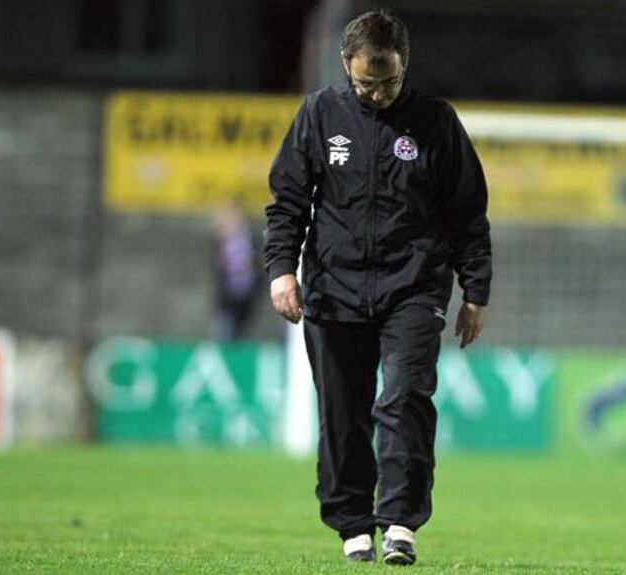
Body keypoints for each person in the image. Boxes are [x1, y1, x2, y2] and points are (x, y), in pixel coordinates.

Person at [263, 10, 492, 565]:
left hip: (413, 287)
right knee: (343, 413)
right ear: (347, 66)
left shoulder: (437, 122)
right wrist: (281, 269)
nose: (378, 94)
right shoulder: (319, 114)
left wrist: (476, 289)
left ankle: (400, 523)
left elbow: (468, 213)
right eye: (367, 83)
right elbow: (288, 199)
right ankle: (352, 526)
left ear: (404, 64)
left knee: (406, 398)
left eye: (388, 81)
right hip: (334, 287)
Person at [209, 201, 262, 341]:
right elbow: (217, 268)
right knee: (225, 332)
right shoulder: (220, 240)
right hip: (227, 297)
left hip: (248, 296)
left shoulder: (249, 239)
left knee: (243, 334)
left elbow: (256, 263)